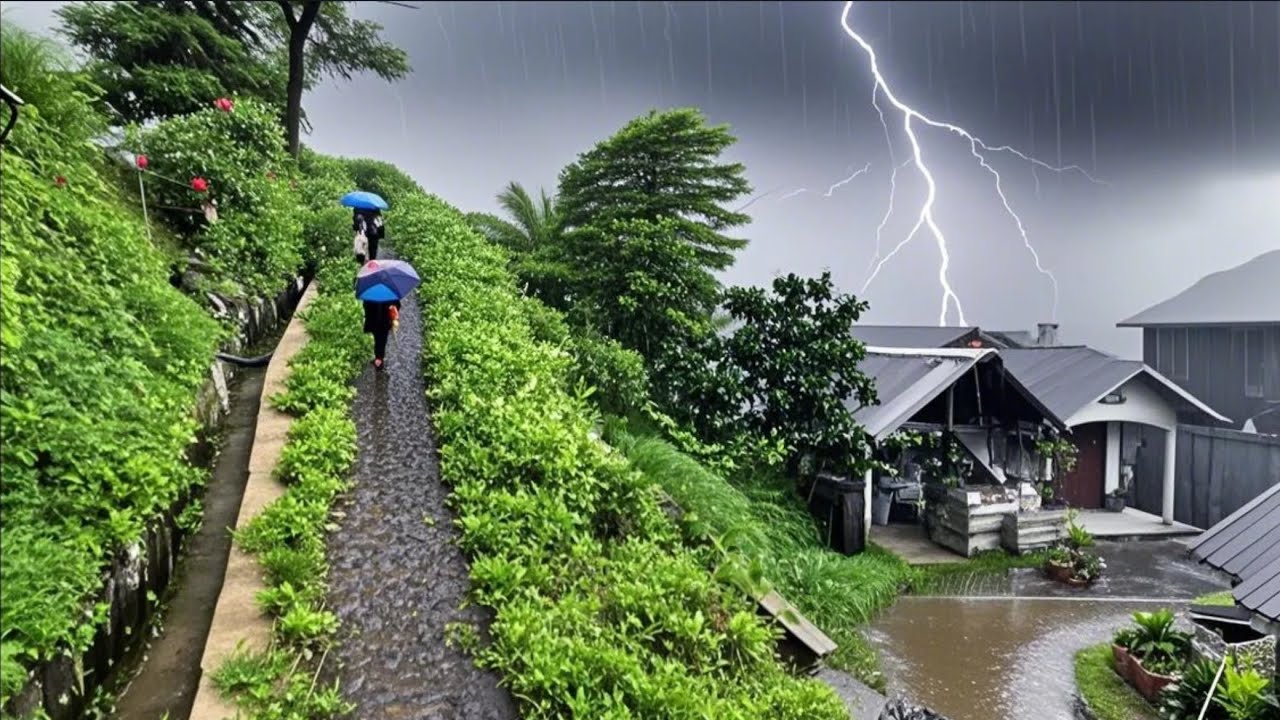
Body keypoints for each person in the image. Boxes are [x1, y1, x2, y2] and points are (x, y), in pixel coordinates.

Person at [362, 298, 400, 369]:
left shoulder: (371, 294)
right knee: (382, 341)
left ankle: (379, 361)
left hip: (373, 322)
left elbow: (365, 306)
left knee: (377, 341)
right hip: (385, 322)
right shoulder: (390, 294)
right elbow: (397, 305)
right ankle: (379, 359)